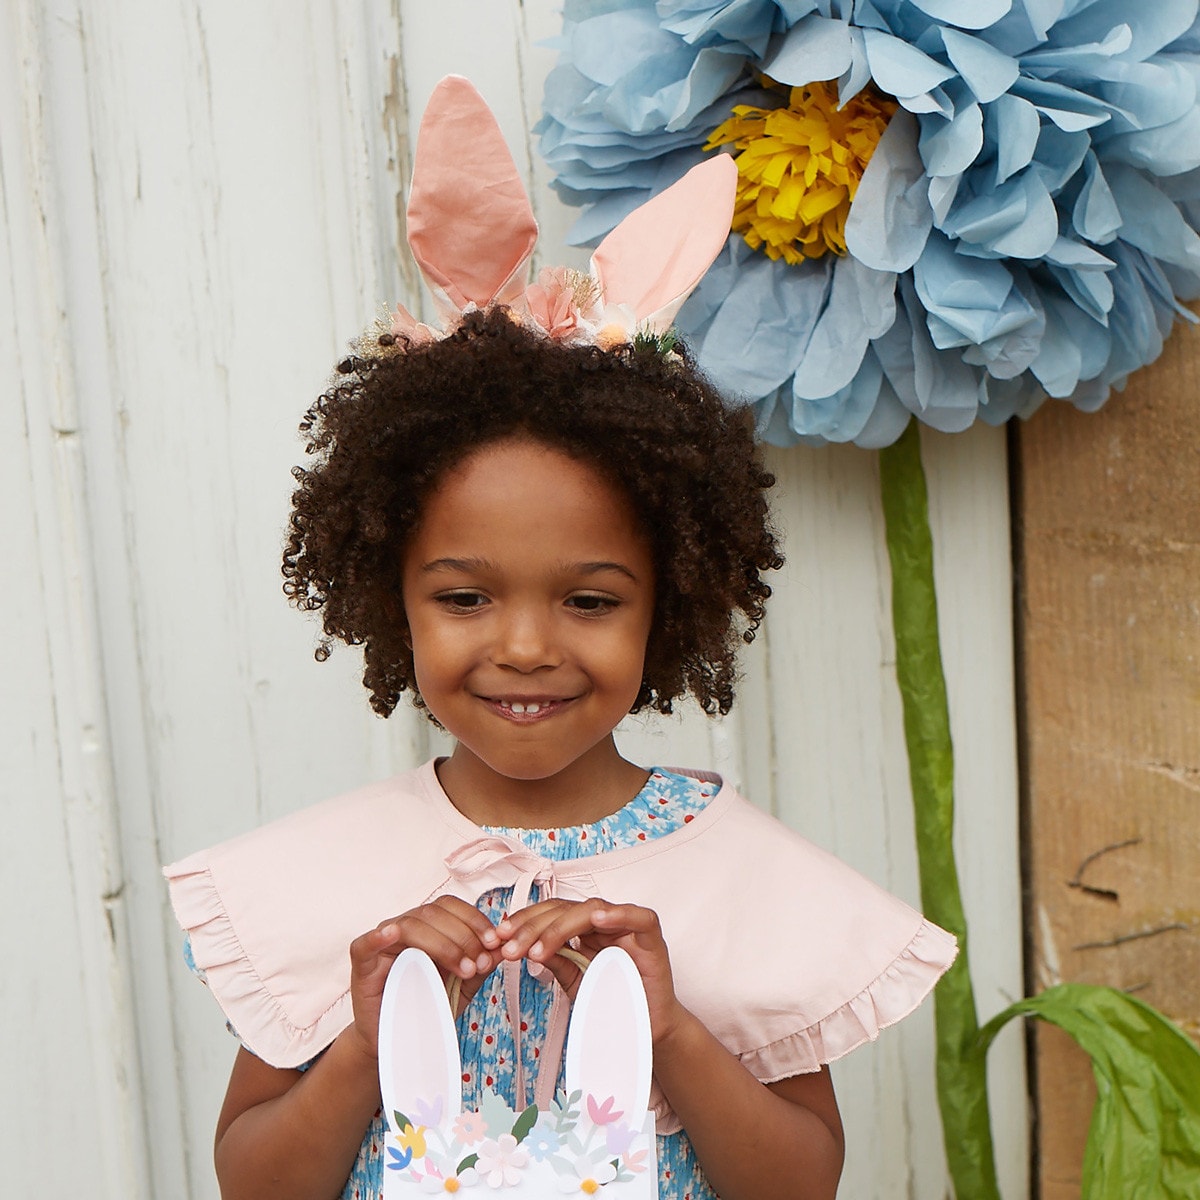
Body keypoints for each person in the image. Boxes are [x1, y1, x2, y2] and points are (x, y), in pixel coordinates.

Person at [165, 78, 956, 1200]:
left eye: (589, 601)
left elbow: (798, 1183)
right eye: (465, 598)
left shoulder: (734, 872)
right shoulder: (327, 876)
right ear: (390, 597)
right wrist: (365, 1036)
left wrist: (671, 1025)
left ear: (668, 602)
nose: (527, 647)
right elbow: (255, 1181)